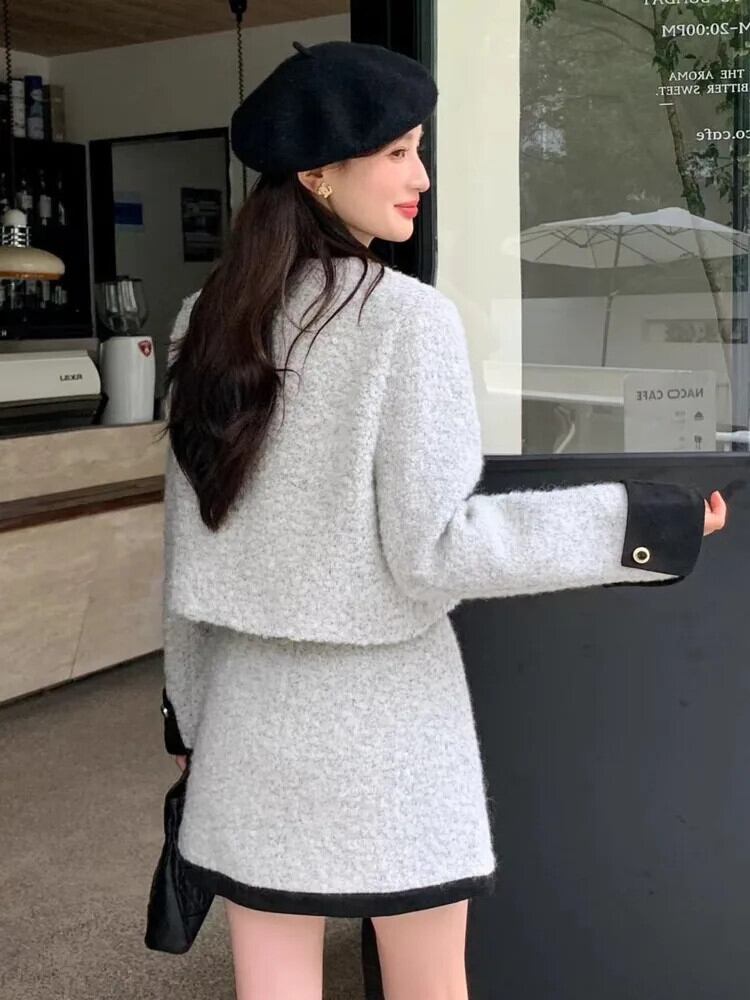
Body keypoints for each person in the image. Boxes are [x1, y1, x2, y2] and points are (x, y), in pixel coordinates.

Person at [157, 39, 727, 1000]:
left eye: (418, 150)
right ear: (317, 173)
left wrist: (187, 713)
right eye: (397, 152)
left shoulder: (204, 320)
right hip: (387, 733)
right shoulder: (405, 321)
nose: (421, 177)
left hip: (249, 723)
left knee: (274, 986)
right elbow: (437, 551)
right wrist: (639, 524)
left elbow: (184, 551)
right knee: (428, 987)